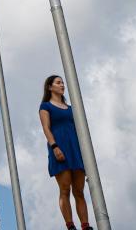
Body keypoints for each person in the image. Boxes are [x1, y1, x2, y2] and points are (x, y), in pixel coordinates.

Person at [39, 75, 91, 230]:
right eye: (58, 82)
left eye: (63, 82)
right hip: (59, 148)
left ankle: (85, 225)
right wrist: (54, 146)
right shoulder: (45, 106)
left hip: (75, 149)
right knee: (65, 189)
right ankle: (70, 225)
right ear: (50, 87)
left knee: (79, 191)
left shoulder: (71, 109)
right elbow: (46, 128)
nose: (62, 85)